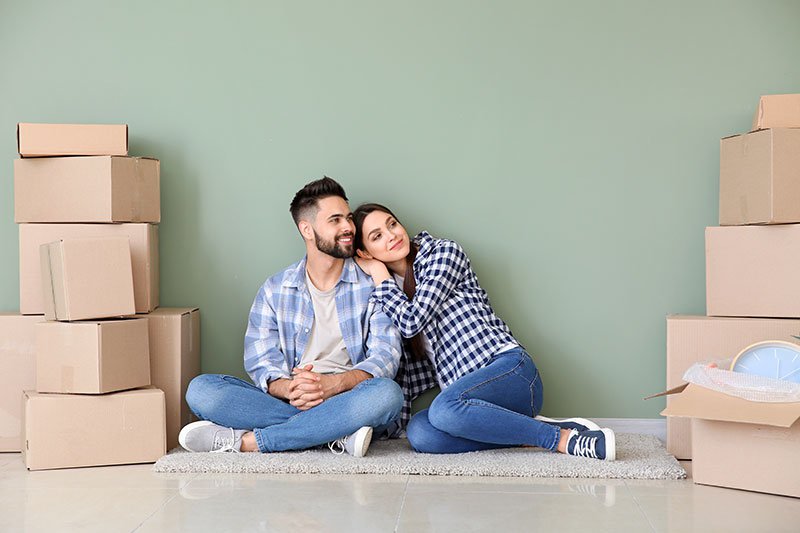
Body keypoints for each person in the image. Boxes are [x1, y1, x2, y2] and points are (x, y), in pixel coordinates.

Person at [352, 203, 616, 460]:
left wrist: (377, 271)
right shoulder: (388, 294)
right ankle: (523, 431)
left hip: (511, 372)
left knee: (444, 409)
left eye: (392, 224)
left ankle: (562, 439)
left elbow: (412, 321)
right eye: (377, 236)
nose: (392, 236)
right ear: (364, 251)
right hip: (468, 404)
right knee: (421, 432)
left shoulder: (442, 253)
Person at [178, 178, 404, 457]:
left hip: (349, 399)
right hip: (293, 401)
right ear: (306, 229)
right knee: (201, 390)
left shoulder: (373, 284)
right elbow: (261, 361)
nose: (348, 227)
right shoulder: (276, 289)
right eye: (335, 220)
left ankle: (250, 442)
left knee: (387, 395)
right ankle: (335, 434)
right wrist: (289, 388)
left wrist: (332, 385)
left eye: (347, 218)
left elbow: (386, 356)